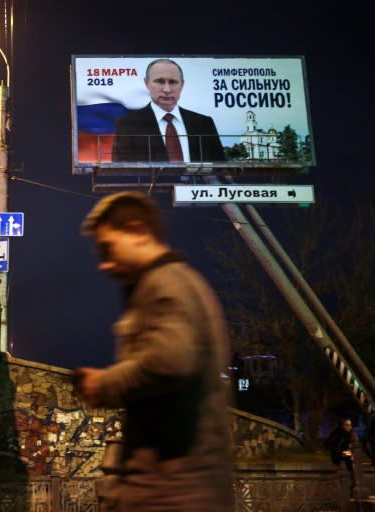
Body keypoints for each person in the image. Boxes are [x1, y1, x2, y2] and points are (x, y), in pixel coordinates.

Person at [73, 191, 234, 511]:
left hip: (170, 495)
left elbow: (172, 360)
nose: (104, 264)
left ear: (137, 231)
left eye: (108, 248)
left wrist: (103, 384)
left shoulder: (164, 282)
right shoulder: (177, 283)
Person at [111, 58, 225, 164]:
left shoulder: (204, 123)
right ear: (146, 83)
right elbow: (122, 171)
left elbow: (222, 169)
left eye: (173, 82)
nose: (167, 89)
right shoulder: (128, 125)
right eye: (160, 81)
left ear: (182, 84)